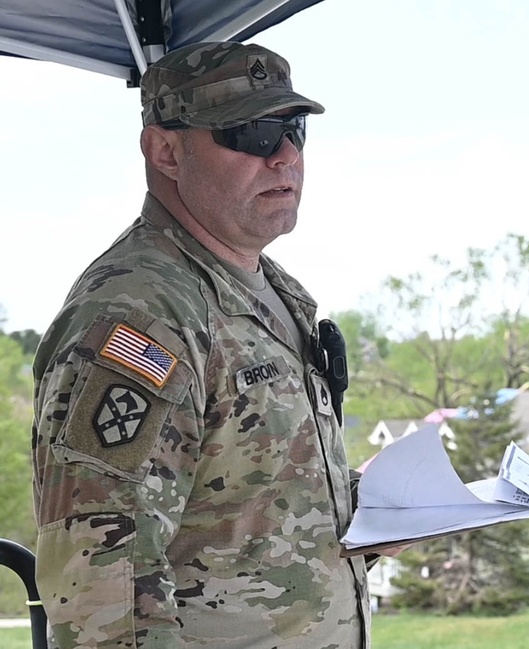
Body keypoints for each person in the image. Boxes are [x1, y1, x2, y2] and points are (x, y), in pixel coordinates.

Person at [31, 41, 379, 648]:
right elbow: (101, 582)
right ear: (165, 151)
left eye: (294, 130)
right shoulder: (141, 312)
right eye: (253, 134)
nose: (287, 156)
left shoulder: (273, 291)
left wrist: (365, 506)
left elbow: (243, 506)